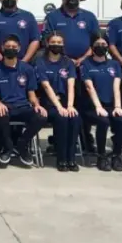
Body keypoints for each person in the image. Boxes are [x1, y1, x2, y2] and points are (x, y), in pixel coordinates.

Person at [42, 0, 100, 152]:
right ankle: (58, 139)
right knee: (60, 101)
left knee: (83, 103)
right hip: (60, 66)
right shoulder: (53, 16)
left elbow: (95, 42)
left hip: (84, 65)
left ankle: (85, 137)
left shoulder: (89, 17)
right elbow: (47, 40)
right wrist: (66, 59)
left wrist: (81, 59)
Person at [0, 34, 47, 168]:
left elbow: (31, 93)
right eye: (8, 47)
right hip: (5, 106)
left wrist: (37, 105)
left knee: (41, 116)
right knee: (1, 114)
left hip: (23, 106)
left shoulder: (27, 69)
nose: (11, 49)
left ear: (19, 48)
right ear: (2, 48)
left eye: (14, 47)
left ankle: (22, 144)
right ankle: (7, 148)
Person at [80, 32, 122, 172]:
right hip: (92, 106)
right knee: (103, 121)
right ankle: (101, 156)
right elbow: (89, 87)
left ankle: (116, 155)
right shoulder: (86, 64)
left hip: (111, 105)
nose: (101, 47)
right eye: (97, 45)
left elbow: (116, 87)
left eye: (104, 45)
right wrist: (98, 106)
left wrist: (118, 106)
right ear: (92, 47)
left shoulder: (114, 64)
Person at [35, 32, 83, 172]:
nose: (56, 45)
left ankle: (71, 158)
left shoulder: (68, 62)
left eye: (59, 43)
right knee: (61, 118)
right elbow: (46, 86)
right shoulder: (40, 61)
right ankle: (61, 159)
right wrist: (58, 106)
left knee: (74, 118)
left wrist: (69, 106)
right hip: (49, 103)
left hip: (66, 102)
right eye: (53, 42)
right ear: (47, 44)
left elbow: (71, 85)